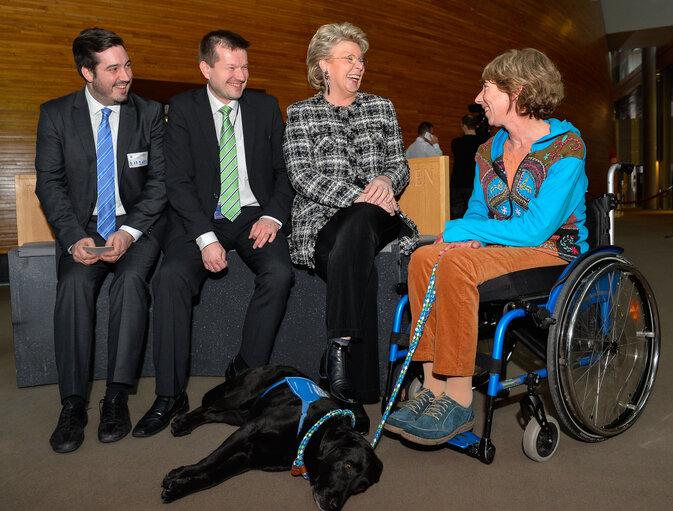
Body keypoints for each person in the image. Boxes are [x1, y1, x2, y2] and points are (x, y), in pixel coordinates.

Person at [385, 48, 588, 445]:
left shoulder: (567, 148)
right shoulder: (487, 150)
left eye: (487, 88)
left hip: (551, 254)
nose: (479, 98)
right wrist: (471, 231)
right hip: (501, 249)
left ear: (519, 91)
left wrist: (462, 230)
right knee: (424, 258)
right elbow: (480, 208)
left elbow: (534, 230)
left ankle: (459, 398)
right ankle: (432, 387)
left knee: (457, 266)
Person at [133, 30, 295, 438]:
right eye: (231, 68)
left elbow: (283, 172)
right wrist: (205, 238)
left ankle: (245, 376)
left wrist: (273, 218)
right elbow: (178, 182)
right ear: (206, 68)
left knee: (279, 274)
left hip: (254, 213)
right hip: (202, 217)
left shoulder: (265, 106)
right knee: (170, 278)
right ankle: (170, 394)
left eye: (244, 66)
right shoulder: (183, 109)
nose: (241, 75)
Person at [283, 22, 419, 433]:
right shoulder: (300, 113)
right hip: (323, 221)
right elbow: (300, 174)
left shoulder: (382, 107)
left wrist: (383, 183)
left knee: (362, 223)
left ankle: (338, 350)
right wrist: (356, 196)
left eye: (360, 59)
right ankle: (355, 395)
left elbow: (400, 164)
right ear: (323, 65)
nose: (358, 66)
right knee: (361, 262)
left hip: (381, 215)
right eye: (349, 58)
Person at [35, 28, 166, 453]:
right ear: (87, 73)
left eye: (127, 64)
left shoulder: (149, 113)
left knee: (130, 284)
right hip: (83, 226)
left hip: (136, 224)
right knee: (73, 284)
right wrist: (73, 238)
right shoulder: (56, 114)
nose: (126, 75)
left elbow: (159, 184)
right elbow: (49, 184)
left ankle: (116, 396)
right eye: (113, 69)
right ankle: (72, 403)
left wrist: (128, 234)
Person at [449, 114, 481, 219]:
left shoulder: (456, 142)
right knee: (473, 214)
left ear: (463, 126)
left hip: (458, 183)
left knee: (456, 215)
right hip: (474, 183)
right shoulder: (483, 143)